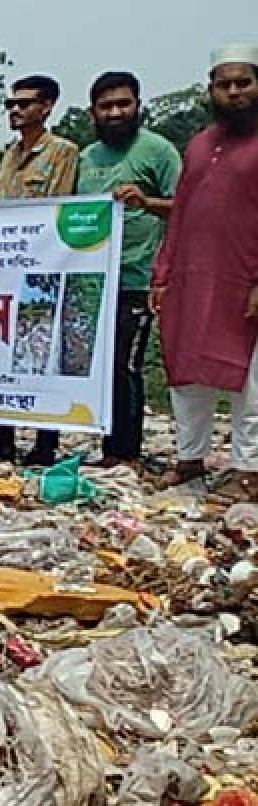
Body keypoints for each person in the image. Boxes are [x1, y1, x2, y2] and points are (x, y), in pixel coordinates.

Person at [153, 44, 258, 499]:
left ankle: (248, 469)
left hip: (246, 280)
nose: (234, 92)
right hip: (192, 279)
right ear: (210, 90)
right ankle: (190, 459)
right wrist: (164, 272)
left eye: (243, 82)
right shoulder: (199, 144)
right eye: (224, 84)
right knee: (187, 370)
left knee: (249, 379)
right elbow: (181, 213)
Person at [77, 71, 181, 468]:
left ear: (138, 105)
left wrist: (146, 202)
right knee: (98, 368)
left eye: (123, 104)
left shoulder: (159, 151)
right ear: (94, 113)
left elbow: (186, 208)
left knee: (126, 365)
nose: (116, 112)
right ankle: (106, 447)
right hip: (91, 282)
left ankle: (126, 454)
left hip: (138, 278)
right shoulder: (85, 159)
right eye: (107, 106)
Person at [0, 75, 81, 465]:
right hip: (6, 270)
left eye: (25, 104)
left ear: (47, 107)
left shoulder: (62, 152)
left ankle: (46, 441)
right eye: (11, 104)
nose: (16, 111)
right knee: (0, 353)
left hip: (46, 268)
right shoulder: (6, 156)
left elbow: (58, 208)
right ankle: (3, 438)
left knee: (44, 353)